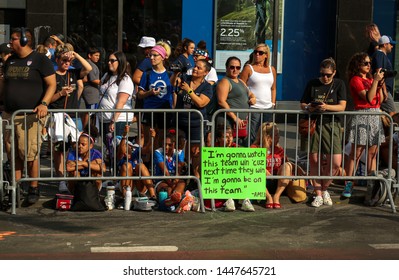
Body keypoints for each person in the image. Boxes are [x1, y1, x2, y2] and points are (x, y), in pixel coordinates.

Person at [2, 27, 56, 204]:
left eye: (15, 39)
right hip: (10, 115)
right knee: (13, 154)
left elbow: (51, 85)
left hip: (30, 116)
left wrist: (44, 103)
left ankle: (34, 187)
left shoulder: (40, 60)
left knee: (30, 153)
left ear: (25, 40)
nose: (11, 42)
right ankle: (16, 188)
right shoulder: (10, 61)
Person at [300, 58, 347, 207]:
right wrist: (309, 107)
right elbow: (302, 102)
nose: (325, 77)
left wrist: (326, 107)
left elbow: (342, 106)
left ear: (334, 72)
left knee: (335, 162)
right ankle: (318, 193)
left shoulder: (339, 84)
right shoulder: (312, 83)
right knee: (314, 160)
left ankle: (324, 188)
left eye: (328, 74)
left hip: (332, 124)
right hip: (314, 124)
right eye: (322, 74)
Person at [49, 45, 92, 193]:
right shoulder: (52, 75)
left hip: (73, 115)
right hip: (57, 115)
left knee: (77, 146)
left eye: (69, 60)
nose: (67, 63)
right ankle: (61, 179)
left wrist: (75, 54)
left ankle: (74, 176)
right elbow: (47, 100)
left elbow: (89, 68)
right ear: (57, 60)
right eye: (64, 60)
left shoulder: (73, 72)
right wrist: (60, 93)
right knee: (59, 148)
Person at [343, 52, 386, 198]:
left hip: (374, 115)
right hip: (362, 115)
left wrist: (381, 84)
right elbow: (368, 98)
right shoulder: (355, 79)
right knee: (356, 153)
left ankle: (371, 185)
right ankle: (348, 185)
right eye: (365, 63)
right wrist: (375, 82)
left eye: (369, 63)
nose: (369, 66)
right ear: (358, 65)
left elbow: (381, 98)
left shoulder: (369, 79)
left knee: (373, 154)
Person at [173, 59, 213, 180]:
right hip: (180, 121)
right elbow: (173, 83)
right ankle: (179, 178)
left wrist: (189, 90)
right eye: (195, 66)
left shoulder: (207, 87)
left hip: (196, 123)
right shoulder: (185, 77)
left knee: (196, 152)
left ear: (205, 72)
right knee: (178, 149)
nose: (195, 69)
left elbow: (201, 103)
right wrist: (175, 74)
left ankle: (196, 180)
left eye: (199, 68)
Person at [137, 44, 173, 147]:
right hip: (150, 110)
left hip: (165, 110)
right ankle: (148, 162)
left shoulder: (170, 74)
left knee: (162, 139)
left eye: (155, 55)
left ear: (162, 57)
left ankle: (159, 161)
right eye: (150, 55)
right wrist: (150, 92)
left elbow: (174, 93)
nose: (151, 58)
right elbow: (139, 94)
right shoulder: (147, 74)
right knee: (149, 140)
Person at [240, 43, 276, 143]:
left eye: (260, 53)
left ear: (266, 55)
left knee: (267, 135)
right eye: (255, 52)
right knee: (252, 134)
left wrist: (273, 103)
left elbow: (273, 88)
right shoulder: (248, 68)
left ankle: (264, 156)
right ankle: (250, 156)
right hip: (254, 107)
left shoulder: (271, 69)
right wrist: (250, 97)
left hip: (268, 108)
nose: (257, 55)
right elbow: (241, 86)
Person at [216, 56, 256, 146]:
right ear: (227, 68)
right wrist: (235, 118)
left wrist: (253, 99)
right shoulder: (225, 82)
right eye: (232, 67)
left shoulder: (241, 81)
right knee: (226, 148)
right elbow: (221, 101)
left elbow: (251, 94)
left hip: (241, 124)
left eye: (238, 67)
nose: (235, 70)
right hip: (228, 123)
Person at [98, 51, 134, 146]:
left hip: (119, 120)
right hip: (104, 118)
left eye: (112, 61)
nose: (109, 63)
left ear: (120, 62)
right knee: (108, 147)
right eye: (108, 60)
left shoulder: (125, 79)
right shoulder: (106, 76)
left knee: (117, 147)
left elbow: (121, 102)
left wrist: (113, 120)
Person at [116, 125, 156, 207]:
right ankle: (125, 198)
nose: (129, 147)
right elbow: (121, 149)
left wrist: (152, 138)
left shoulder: (136, 152)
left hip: (140, 185)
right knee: (127, 165)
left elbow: (147, 149)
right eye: (126, 146)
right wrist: (124, 135)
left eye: (130, 146)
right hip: (127, 186)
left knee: (140, 166)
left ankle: (153, 196)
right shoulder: (121, 157)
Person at [250, 122, 285, 209]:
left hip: (276, 180)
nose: (279, 137)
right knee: (256, 169)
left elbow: (285, 163)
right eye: (276, 135)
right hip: (261, 181)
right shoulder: (255, 148)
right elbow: (252, 165)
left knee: (287, 165)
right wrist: (265, 171)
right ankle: (269, 197)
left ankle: (276, 196)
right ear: (269, 137)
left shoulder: (279, 150)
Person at [153, 130, 186, 205]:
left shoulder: (179, 153)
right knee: (167, 189)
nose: (166, 147)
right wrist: (173, 186)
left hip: (174, 181)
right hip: (161, 180)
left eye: (169, 145)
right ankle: (175, 200)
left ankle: (174, 199)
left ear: (174, 144)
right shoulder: (158, 152)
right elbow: (166, 173)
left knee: (182, 183)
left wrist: (174, 183)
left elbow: (178, 173)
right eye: (164, 144)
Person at [371, 35, 397, 114]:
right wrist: (384, 91)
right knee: (392, 113)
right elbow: (380, 72)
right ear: (385, 44)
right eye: (390, 44)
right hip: (382, 90)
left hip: (382, 90)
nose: (392, 46)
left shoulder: (382, 55)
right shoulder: (379, 54)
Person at [81, 47, 101, 129]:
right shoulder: (90, 65)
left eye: (99, 55)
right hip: (90, 93)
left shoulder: (92, 64)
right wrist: (104, 82)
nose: (98, 57)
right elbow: (93, 79)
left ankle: (90, 129)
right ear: (89, 55)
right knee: (89, 112)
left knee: (92, 113)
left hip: (93, 92)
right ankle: (84, 129)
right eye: (96, 55)